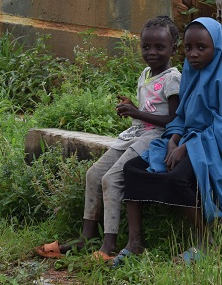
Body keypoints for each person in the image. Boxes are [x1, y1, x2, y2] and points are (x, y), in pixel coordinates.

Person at [111, 17, 222, 266]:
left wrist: (186, 147)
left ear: (217, 48)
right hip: (189, 140)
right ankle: (134, 243)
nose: (193, 54)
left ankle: (205, 242)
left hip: (216, 146)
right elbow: (181, 116)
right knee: (132, 169)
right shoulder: (190, 75)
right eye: (188, 48)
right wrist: (173, 140)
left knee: (177, 178)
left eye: (202, 48)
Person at [35, 15, 182, 261]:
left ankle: (108, 245)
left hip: (155, 137)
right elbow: (152, 110)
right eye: (146, 47)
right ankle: (86, 237)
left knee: (112, 179)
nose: (152, 52)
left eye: (160, 47)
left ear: (173, 49)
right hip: (136, 133)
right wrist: (133, 108)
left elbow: (174, 120)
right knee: (93, 174)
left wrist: (137, 112)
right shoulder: (146, 73)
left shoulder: (173, 79)